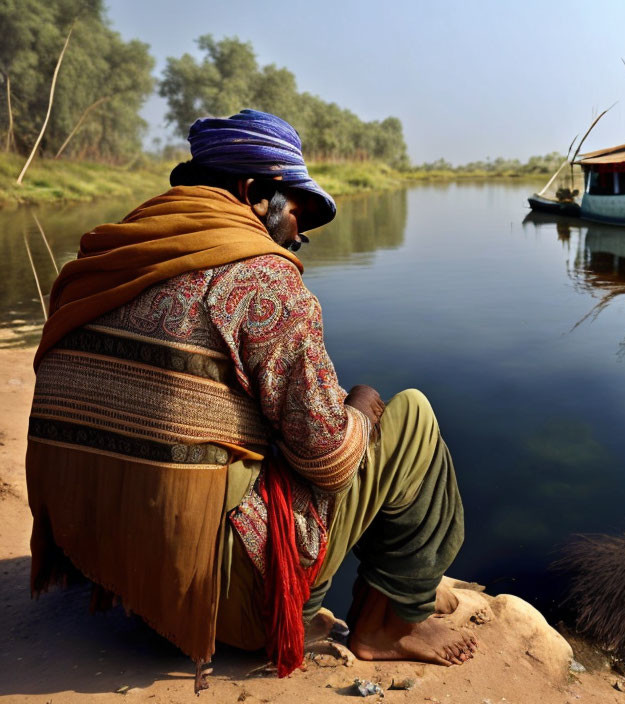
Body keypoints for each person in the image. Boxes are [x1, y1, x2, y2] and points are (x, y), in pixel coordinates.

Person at [26, 110, 474, 691]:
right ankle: (387, 624)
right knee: (411, 415)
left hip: (112, 567)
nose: (300, 235)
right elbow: (332, 463)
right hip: (211, 598)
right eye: (299, 213)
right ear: (256, 193)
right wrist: (361, 408)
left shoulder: (103, 262)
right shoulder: (260, 279)